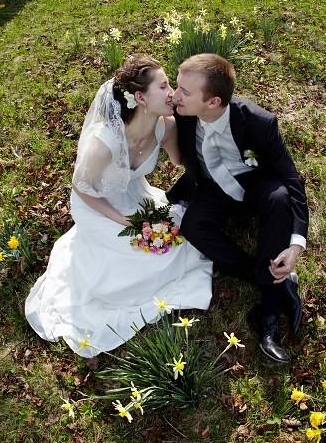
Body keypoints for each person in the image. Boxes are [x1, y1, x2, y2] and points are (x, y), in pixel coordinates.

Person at [25, 54, 213, 357]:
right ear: (140, 97)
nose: (172, 93)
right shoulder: (104, 144)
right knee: (137, 261)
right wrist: (124, 222)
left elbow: (181, 162)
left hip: (130, 195)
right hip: (96, 207)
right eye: (163, 86)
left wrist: (199, 129)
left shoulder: (165, 126)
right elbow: (82, 190)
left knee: (174, 245)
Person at [167, 53, 308, 364]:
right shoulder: (178, 111)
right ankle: (273, 281)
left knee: (280, 198)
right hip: (211, 186)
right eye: (176, 87)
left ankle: (268, 317)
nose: (174, 96)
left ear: (213, 101)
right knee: (192, 226)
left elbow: (290, 178)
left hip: (254, 182)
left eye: (184, 91)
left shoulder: (259, 123)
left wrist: (296, 246)